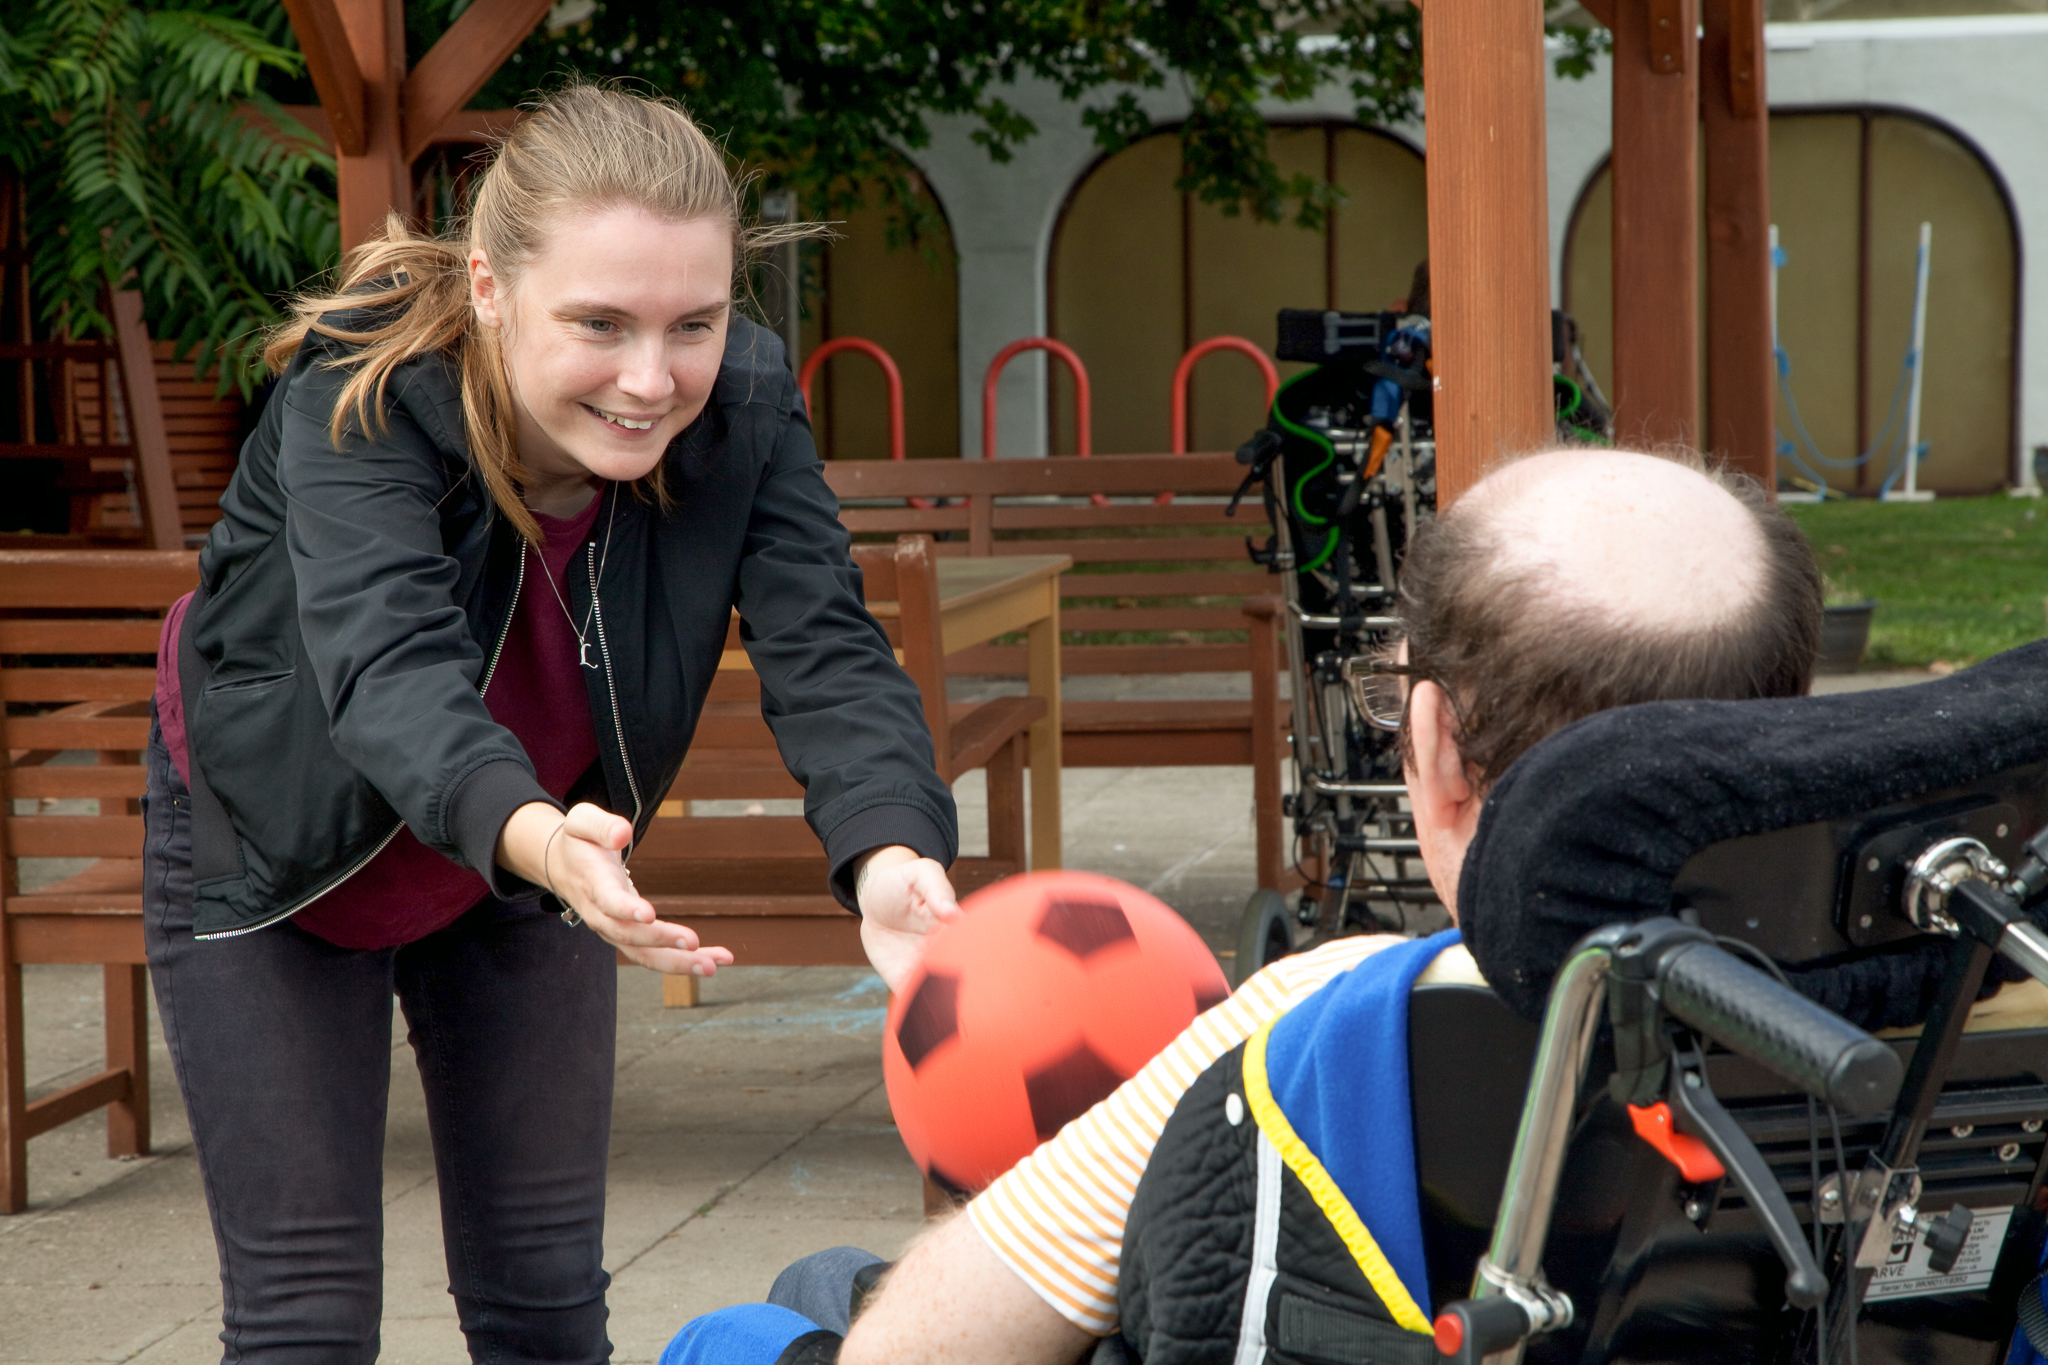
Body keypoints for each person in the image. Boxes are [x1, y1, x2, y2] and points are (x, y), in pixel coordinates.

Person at [144, 83, 962, 1363]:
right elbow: (387, 666)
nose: (652, 379)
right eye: (600, 323)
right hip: (282, 837)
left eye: (692, 322)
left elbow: (827, 647)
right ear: (488, 287)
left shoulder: (744, 403)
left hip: (541, 852)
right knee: (304, 1318)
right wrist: (530, 829)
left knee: (543, 1302)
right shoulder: (362, 389)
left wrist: (888, 852)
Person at [825, 445, 1829, 1365]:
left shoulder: (1330, 1024)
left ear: (1435, 749)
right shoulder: (1930, 999)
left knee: (790, 1306)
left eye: (1393, 700)